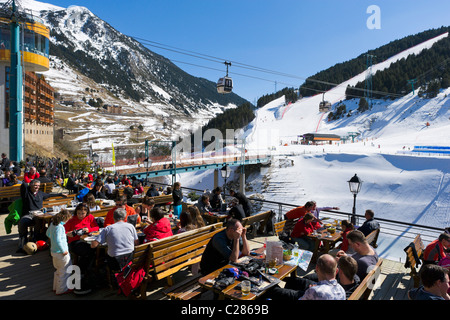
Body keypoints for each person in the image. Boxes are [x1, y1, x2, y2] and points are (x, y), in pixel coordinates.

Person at [17, 179, 67, 253]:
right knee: (23, 222)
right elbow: (23, 185)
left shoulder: (40, 193)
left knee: (39, 220)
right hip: (29, 214)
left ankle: (36, 238)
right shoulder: (26, 193)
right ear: (30, 185)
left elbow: (49, 195)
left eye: (38, 186)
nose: (37, 187)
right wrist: (29, 181)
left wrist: (60, 194)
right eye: (35, 185)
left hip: (39, 213)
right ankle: (23, 240)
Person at [91, 208, 139, 273]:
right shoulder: (131, 226)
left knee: (103, 256)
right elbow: (136, 242)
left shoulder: (108, 228)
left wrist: (93, 240)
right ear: (125, 217)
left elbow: (93, 245)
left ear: (113, 217)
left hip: (115, 261)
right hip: (129, 258)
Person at [64, 203, 99, 277]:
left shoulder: (90, 217)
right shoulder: (72, 219)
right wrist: (68, 233)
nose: (80, 215)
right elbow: (63, 231)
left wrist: (88, 230)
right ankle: (84, 271)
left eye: (83, 214)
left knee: (94, 250)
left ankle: (84, 271)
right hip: (75, 241)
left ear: (87, 213)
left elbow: (96, 228)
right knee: (90, 251)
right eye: (78, 213)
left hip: (88, 240)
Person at [46, 209, 73, 295]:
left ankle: (56, 287)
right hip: (61, 253)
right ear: (65, 218)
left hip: (53, 251)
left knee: (58, 270)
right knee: (64, 271)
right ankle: (61, 289)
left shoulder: (53, 224)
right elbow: (58, 240)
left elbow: (48, 234)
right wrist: (63, 250)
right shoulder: (60, 227)